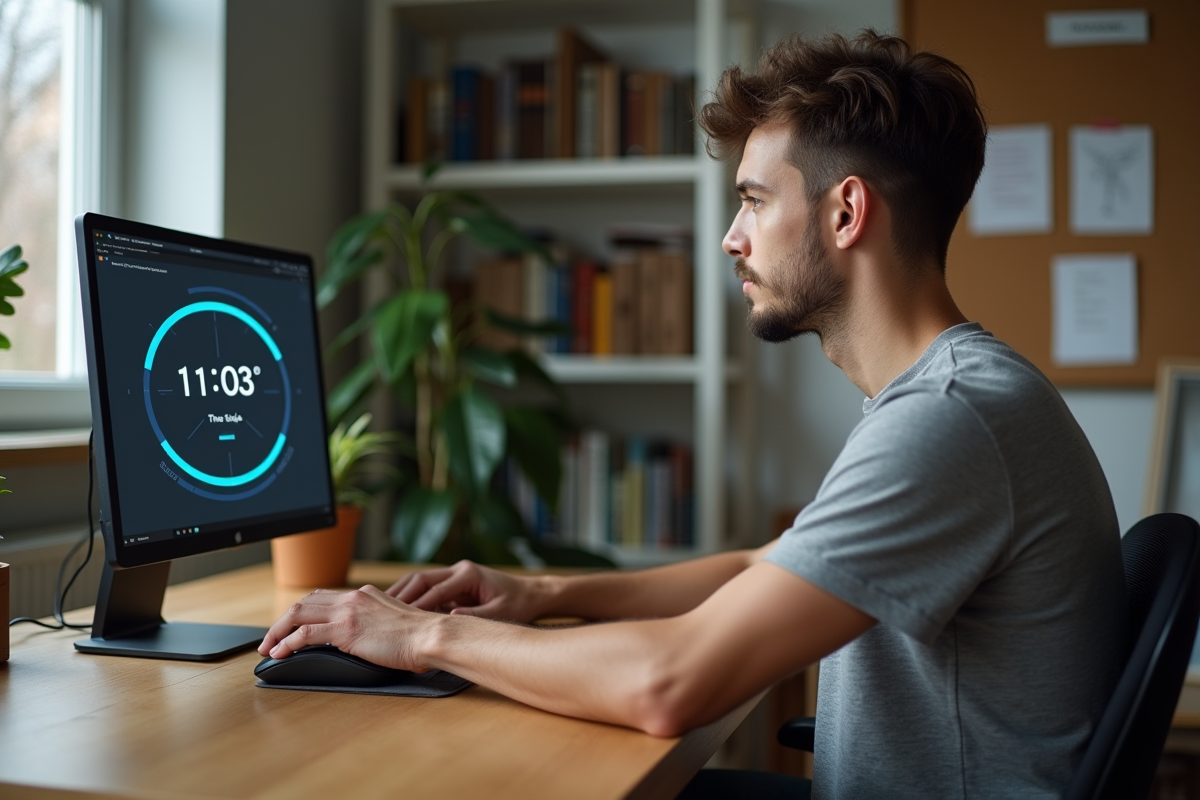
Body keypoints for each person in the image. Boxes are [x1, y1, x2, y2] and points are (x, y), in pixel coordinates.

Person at [260, 31, 1128, 799]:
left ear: (846, 212)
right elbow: (767, 565)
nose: (730, 238)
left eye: (754, 200)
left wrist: (419, 638)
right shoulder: (946, 397)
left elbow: (667, 684)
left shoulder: (947, 417)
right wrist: (544, 593)